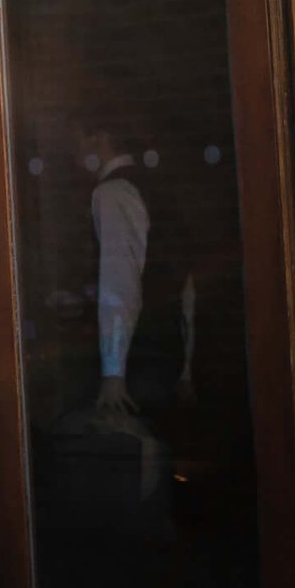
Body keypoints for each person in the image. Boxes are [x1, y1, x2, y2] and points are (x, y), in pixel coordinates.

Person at [80, 123, 194, 416]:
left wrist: (113, 374)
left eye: (78, 138)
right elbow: (185, 284)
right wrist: (187, 367)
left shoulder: (113, 192)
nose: (76, 150)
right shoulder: (155, 188)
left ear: (101, 137)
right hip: (164, 352)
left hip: (136, 362)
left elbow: (119, 285)